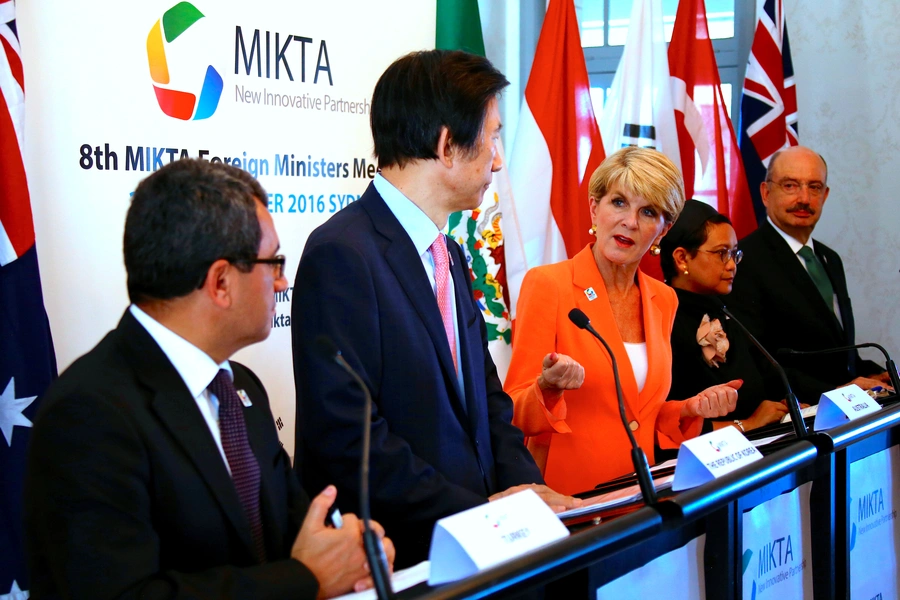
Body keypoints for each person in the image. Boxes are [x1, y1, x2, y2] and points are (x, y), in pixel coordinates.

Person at [24, 159, 393, 600]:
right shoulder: (89, 413)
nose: (282, 282)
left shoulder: (243, 388)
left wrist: (347, 549)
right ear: (221, 282)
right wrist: (305, 580)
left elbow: (295, 531)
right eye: (272, 263)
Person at [291, 49, 579, 567]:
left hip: (485, 550)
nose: (496, 158)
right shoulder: (342, 252)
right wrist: (480, 512)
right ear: (447, 145)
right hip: (407, 556)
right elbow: (350, 438)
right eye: (491, 136)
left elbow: (487, 402)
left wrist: (529, 497)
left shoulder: (448, 251)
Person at [504, 147, 739, 496]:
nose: (630, 221)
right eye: (618, 202)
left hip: (638, 494)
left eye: (647, 212)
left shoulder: (664, 299)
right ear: (594, 207)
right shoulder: (548, 285)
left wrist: (689, 408)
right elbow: (513, 408)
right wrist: (547, 387)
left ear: (663, 231)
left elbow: (640, 413)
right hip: (567, 498)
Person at [727, 146, 890, 405]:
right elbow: (758, 362)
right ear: (766, 193)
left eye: (814, 187)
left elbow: (835, 352)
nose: (804, 198)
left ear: (825, 195)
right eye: (791, 185)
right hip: (800, 416)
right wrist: (837, 391)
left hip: (849, 412)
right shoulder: (744, 261)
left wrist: (874, 374)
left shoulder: (829, 258)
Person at [660, 199, 789, 434]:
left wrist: (785, 406)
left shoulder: (728, 310)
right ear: (681, 258)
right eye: (721, 253)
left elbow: (765, 381)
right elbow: (666, 423)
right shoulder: (661, 320)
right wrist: (746, 425)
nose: (732, 265)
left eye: (734, 254)